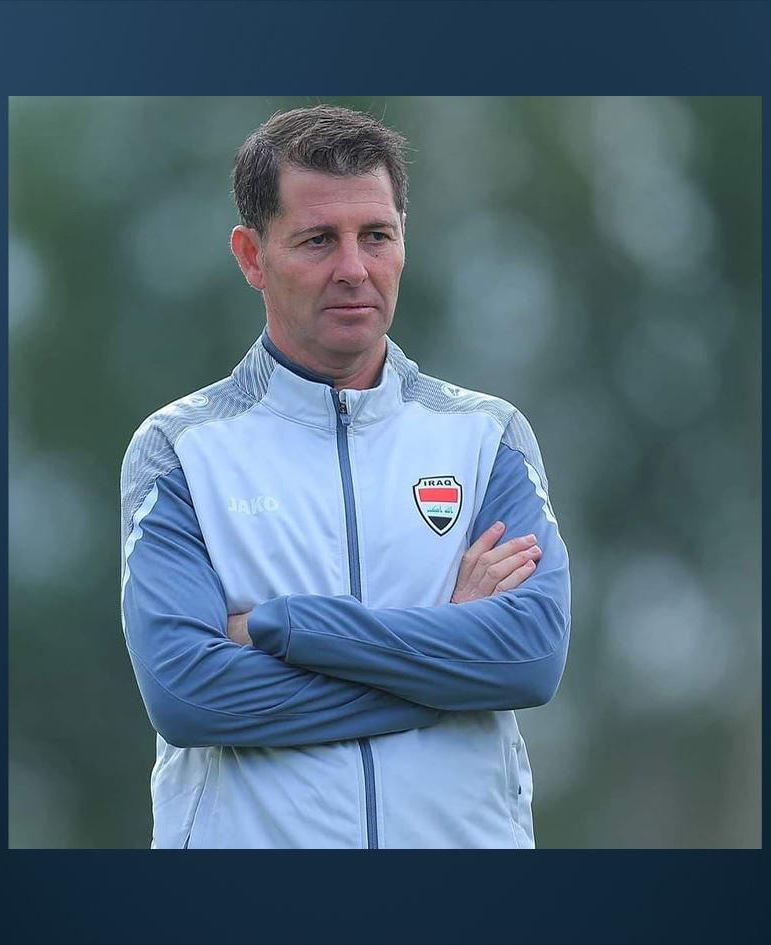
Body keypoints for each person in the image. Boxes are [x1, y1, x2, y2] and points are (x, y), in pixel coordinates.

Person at [119, 104, 571, 848]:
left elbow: (528, 659)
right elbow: (189, 696)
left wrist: (286, 626)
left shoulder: (488, 437)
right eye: (318, 239)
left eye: (376, 236)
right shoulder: (180, 450)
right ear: (251, 255)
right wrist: (448, 659)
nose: (354, 269)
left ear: (403, 241)